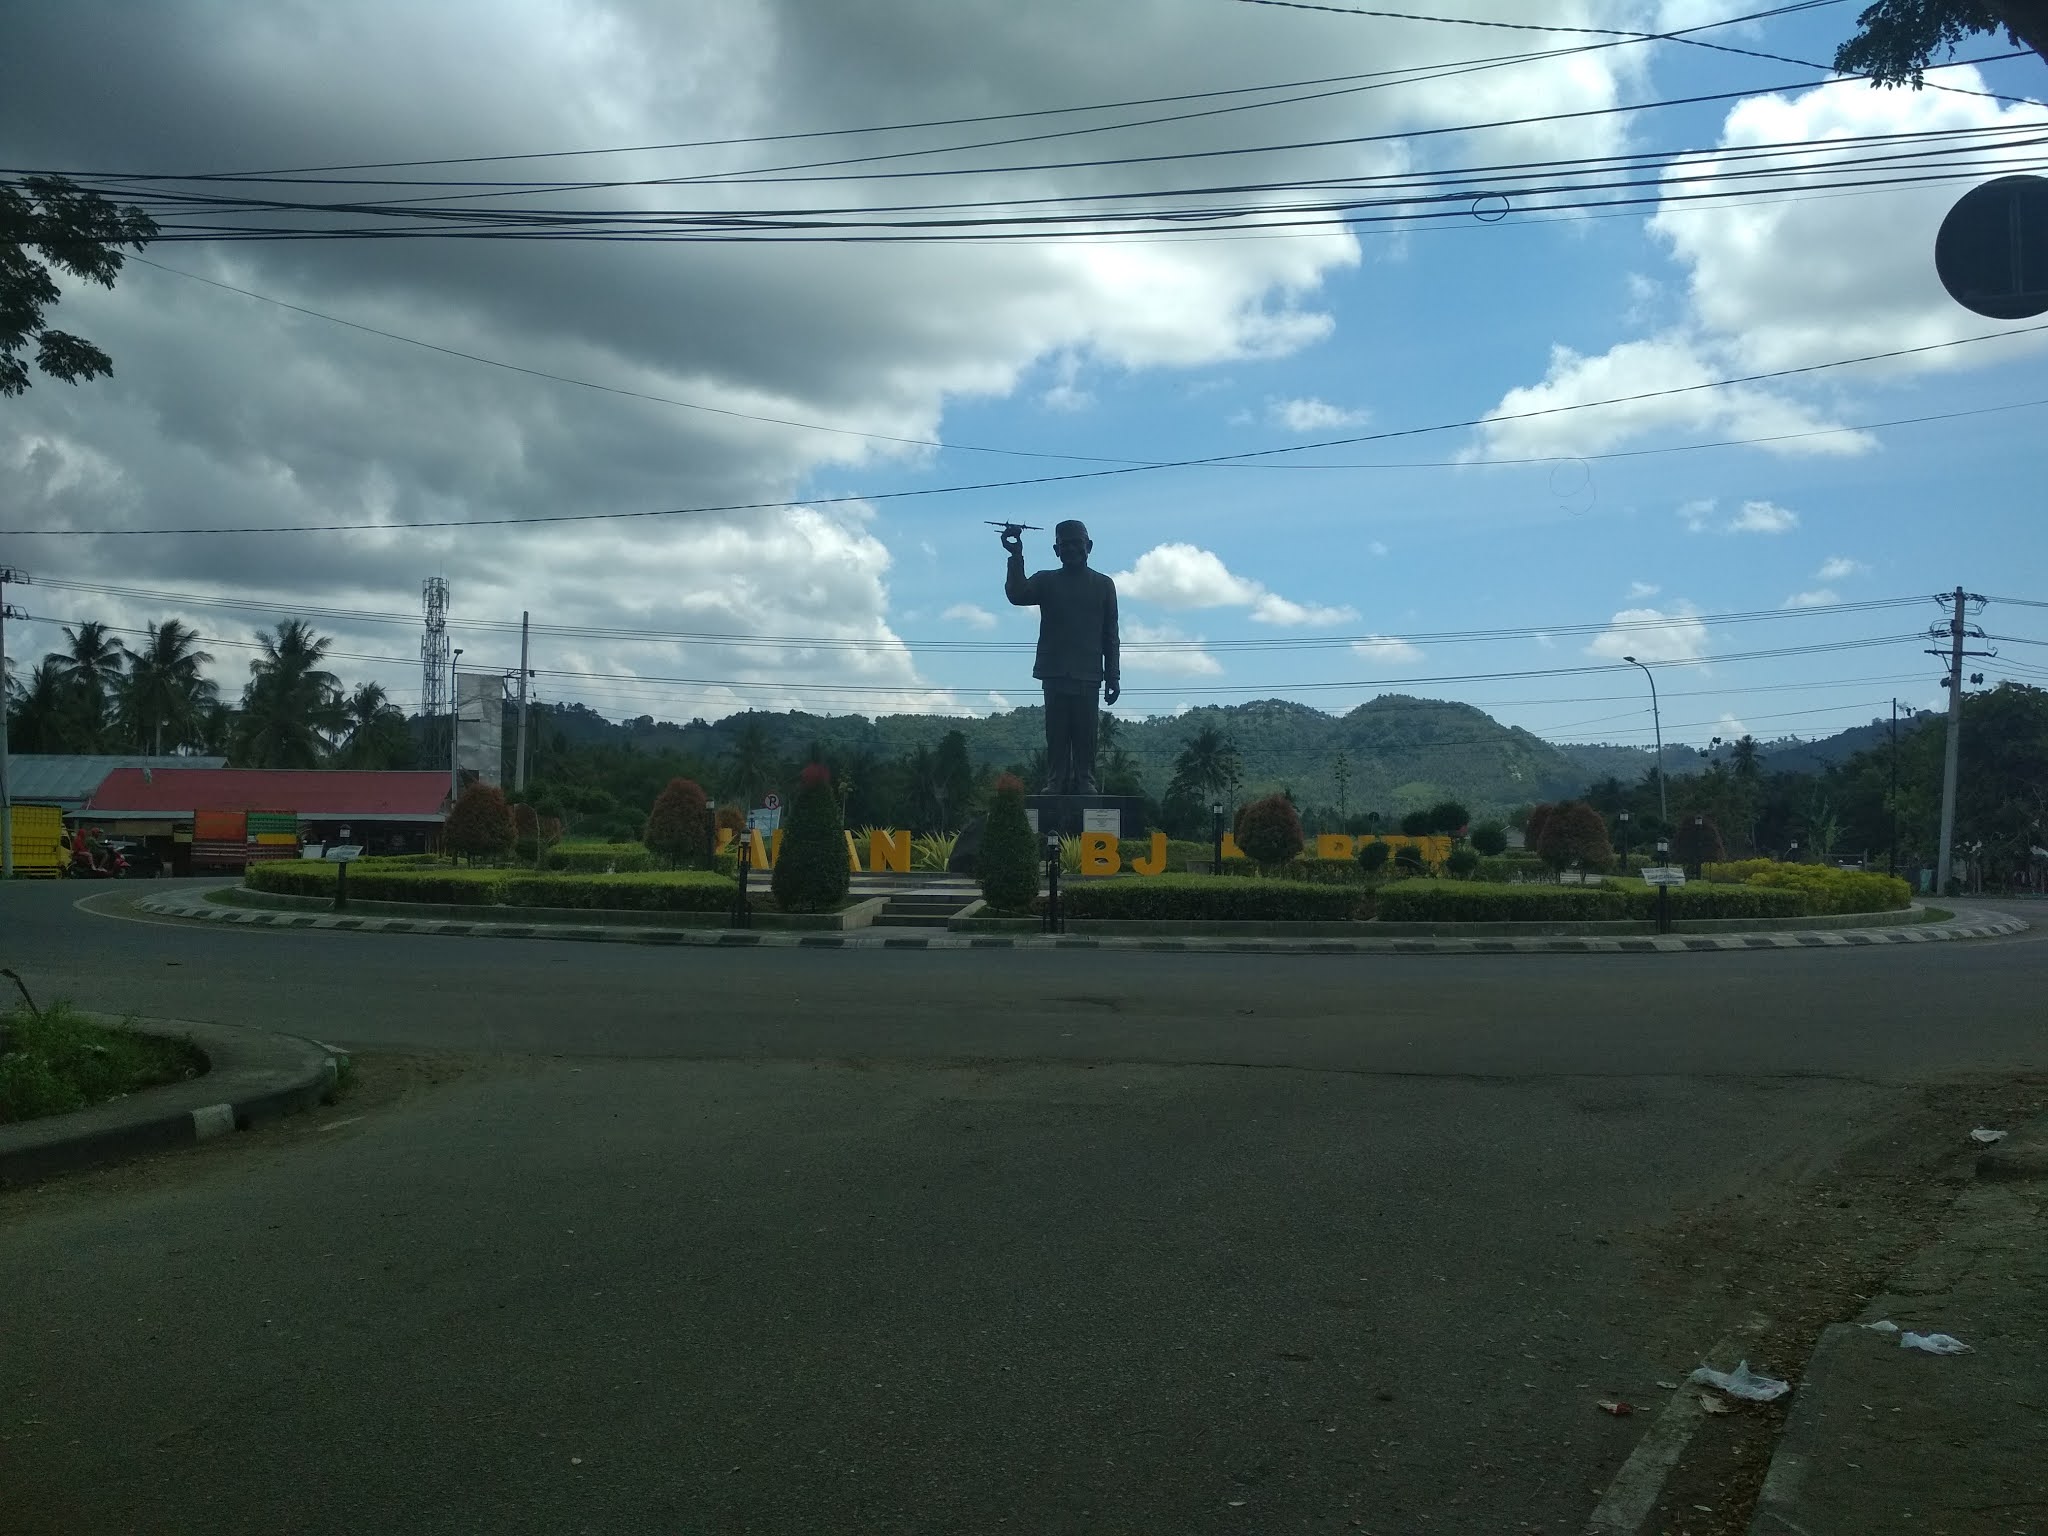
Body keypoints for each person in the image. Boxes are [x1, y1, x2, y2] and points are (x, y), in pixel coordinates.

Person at [1002, 519, 1120, 795]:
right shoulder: (1046, 580)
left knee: (1085, 731)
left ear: (1089, 546)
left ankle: (1085, 778)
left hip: (1088, 673)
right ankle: (1056, 779)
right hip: (1054, 671)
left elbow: (1110, 635)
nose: (1070, 549)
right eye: (1064, 545)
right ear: (1056, 550)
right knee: (1056, 731)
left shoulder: (1103, 585)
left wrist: (1113, 676)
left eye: (1076, 543)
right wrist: (1016, 555)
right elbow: (1017, 594)